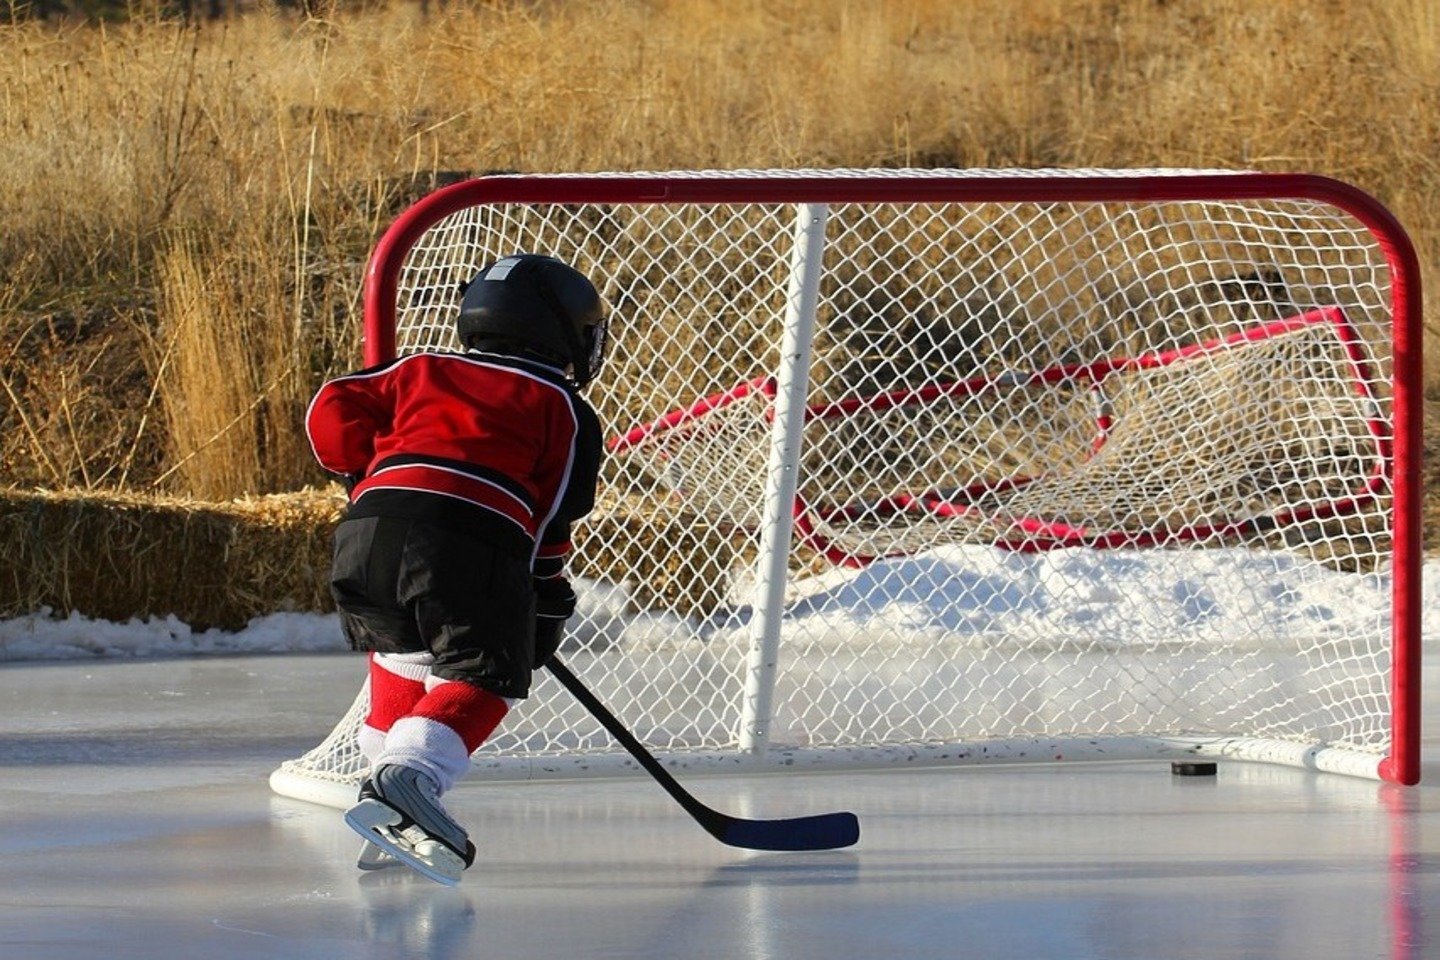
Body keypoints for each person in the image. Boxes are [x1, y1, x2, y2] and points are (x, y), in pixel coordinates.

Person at [304, 253, 607, 884]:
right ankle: (411, 779)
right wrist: (542, 602)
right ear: (569, 333)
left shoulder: (418, 366)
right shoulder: (565, 406)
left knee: (403, 654)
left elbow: (329, 406)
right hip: (468, 539)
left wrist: (361, 469)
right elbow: (549, 520)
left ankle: (384, 795)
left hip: (364, 537)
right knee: (485, 675)